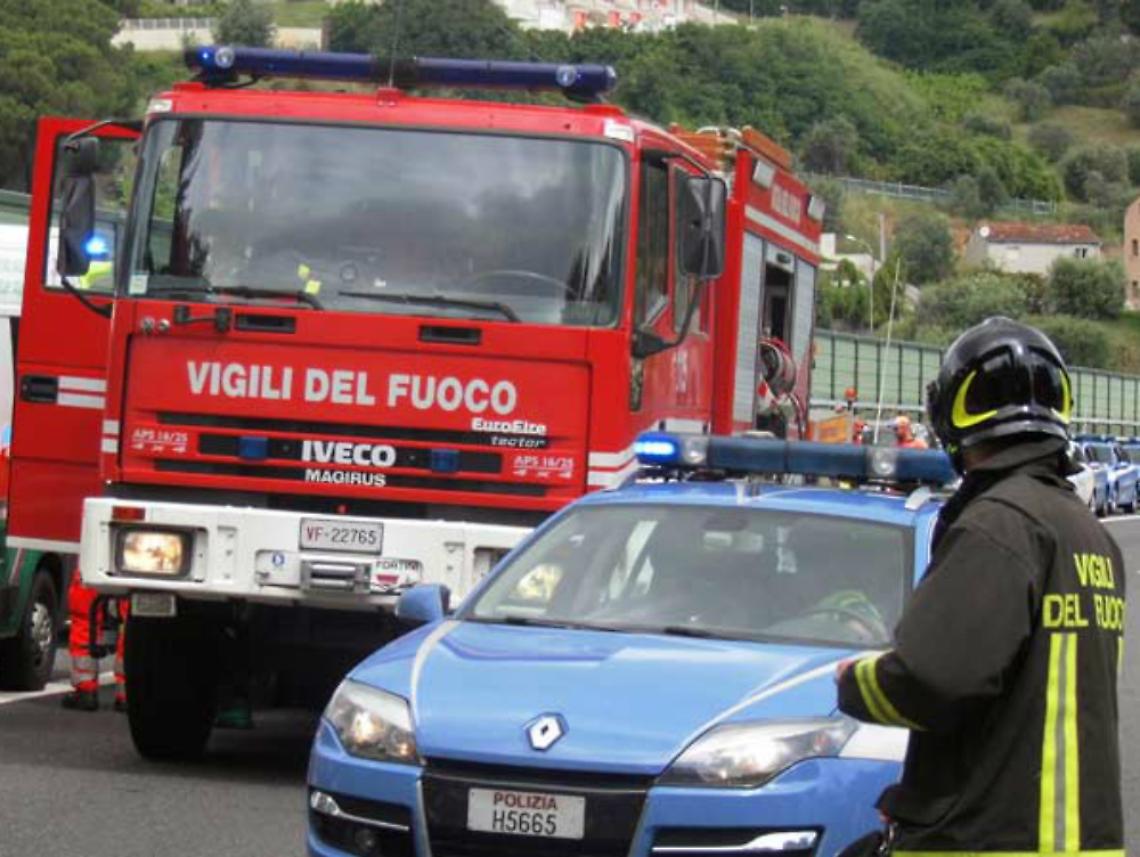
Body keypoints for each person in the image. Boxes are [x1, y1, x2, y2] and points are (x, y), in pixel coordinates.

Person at [836, 317, 1125, 856]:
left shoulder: (997, 525)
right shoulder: (1087, 533)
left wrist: (854, 681)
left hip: (986, 838)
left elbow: (931, 677)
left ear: (951, 414)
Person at [61, 573, 127, 712]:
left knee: (84, 613)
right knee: (134, 620)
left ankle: (86, 689)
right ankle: (128, 694)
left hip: (95, 561)